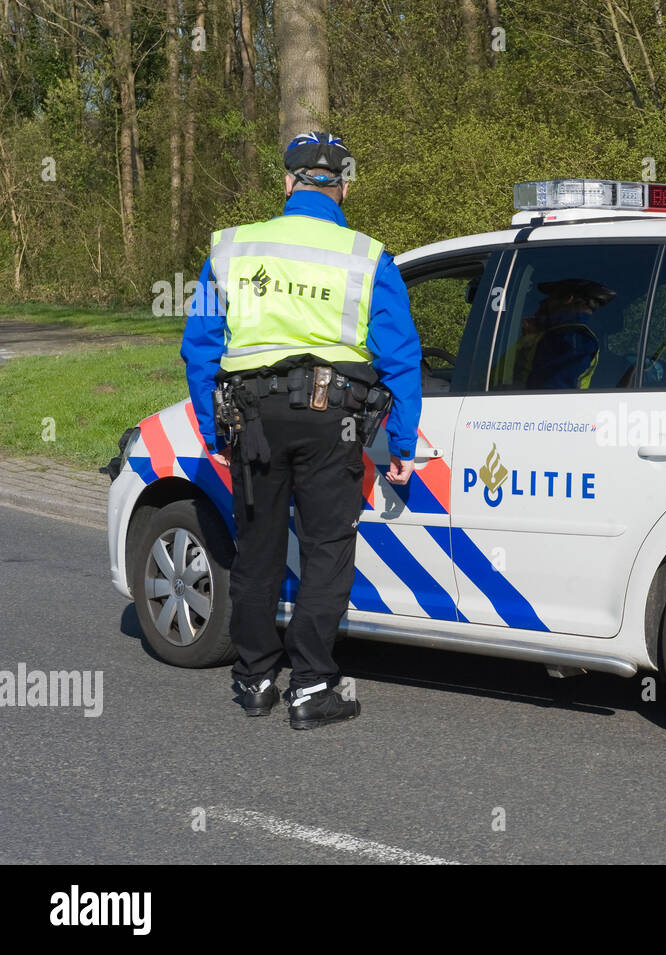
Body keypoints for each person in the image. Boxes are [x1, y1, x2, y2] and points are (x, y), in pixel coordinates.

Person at [180, 131, 421, 729]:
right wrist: (405, 440)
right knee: (326, 549)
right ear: (342, 187)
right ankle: (312, 687)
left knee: (257, 548)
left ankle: (256, 678)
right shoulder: (367, 256)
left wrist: (216, 428)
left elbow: (200, 348)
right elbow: (401, 356)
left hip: (254, 421)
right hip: (331, 422)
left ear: (287, 182)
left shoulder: (233, 249)